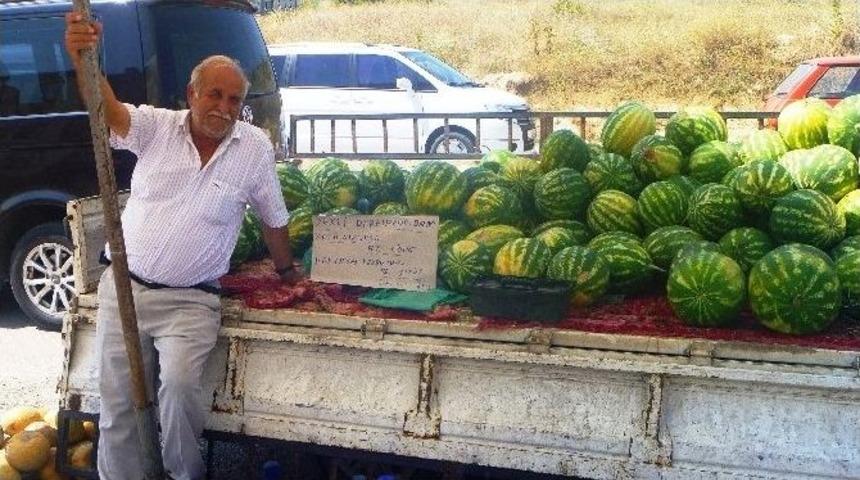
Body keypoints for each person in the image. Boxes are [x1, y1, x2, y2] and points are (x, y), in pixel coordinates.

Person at [65, 11, 301, 480]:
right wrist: (82, 56)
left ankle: (183, 476)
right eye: (214, 94)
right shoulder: (156, 127)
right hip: (125, 290)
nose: (224, 107)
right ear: (191, 94)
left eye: (234, 99)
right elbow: (106, 109)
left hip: (192, 300)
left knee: (178, 391)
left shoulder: (253, 148)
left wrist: (288, 274)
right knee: (117, 402)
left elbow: (273, 218)